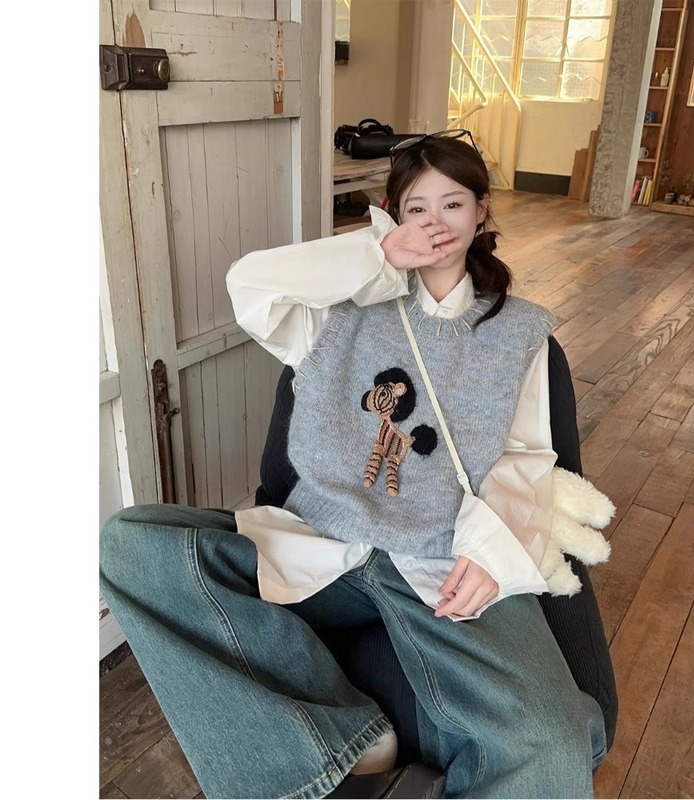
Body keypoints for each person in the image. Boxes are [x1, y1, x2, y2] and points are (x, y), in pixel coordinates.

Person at [99, 130, 608, 799]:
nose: (434, 223)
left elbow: (526, 454)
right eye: (416, 208)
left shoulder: (518, 332)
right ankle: (342, 749)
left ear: (482, 210)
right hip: (325, 542)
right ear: (393, 216)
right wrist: (375, 256)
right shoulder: (335, 312)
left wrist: (490, 554)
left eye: (452, 204)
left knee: (550, 741)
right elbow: (249, 285)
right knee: (130, 543)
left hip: (439, 558)